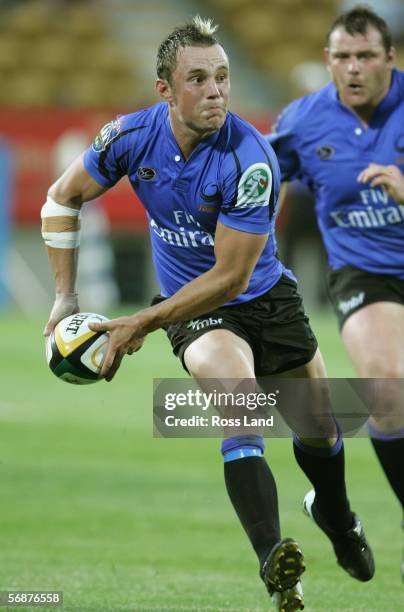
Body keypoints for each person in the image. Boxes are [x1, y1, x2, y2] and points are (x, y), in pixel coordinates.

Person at [41, 17, 374, 611]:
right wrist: (64, 296)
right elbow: (61, 198)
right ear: (164, 89)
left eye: (223, 76)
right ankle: (276, 562)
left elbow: (232, 278)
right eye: (199, 78)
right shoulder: (128, 137)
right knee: (238, 404)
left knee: (321, 430)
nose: (217, 90)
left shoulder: (250, 159)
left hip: (263, 300)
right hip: (194, 313)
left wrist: (138, 322)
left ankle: (337, 515)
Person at [268, 4, 404, 580]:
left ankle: (329, 505)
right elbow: (255, 177)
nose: (353, 68)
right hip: (365, 275)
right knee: (389, 388)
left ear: (390, 59)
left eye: (366, 56)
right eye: (342, 57)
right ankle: (363, 515)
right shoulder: (303, 120)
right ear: (327, 61)